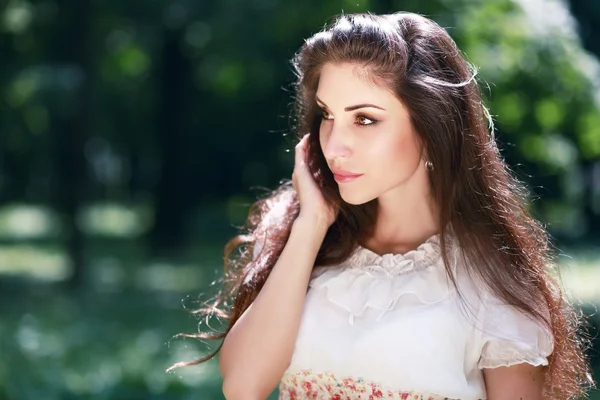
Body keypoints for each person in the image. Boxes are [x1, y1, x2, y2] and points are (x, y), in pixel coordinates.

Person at [169, 12, 593, 400]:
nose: (334, 145)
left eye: (365, 119)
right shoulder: (311, 244)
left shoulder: (492, 287)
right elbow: (243, 385)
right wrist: (311, 224)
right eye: (327, 115)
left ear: (431, 125)